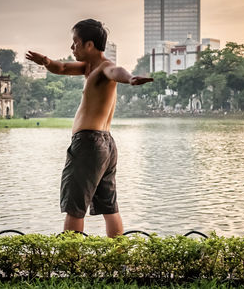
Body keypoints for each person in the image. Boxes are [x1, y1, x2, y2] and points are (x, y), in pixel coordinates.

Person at [25, 19, 153, 237]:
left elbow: (117, 71)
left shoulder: (105, 68)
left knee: (74, 207)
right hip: (106, 145)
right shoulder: (88, 68)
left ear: (89, 45)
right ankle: (118, 260)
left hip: (88, 144)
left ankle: (71, 263)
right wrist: (45, 60)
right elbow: (62, 67)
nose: (72, 48)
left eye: (75, 43)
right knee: (109, 206)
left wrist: (131, 79)